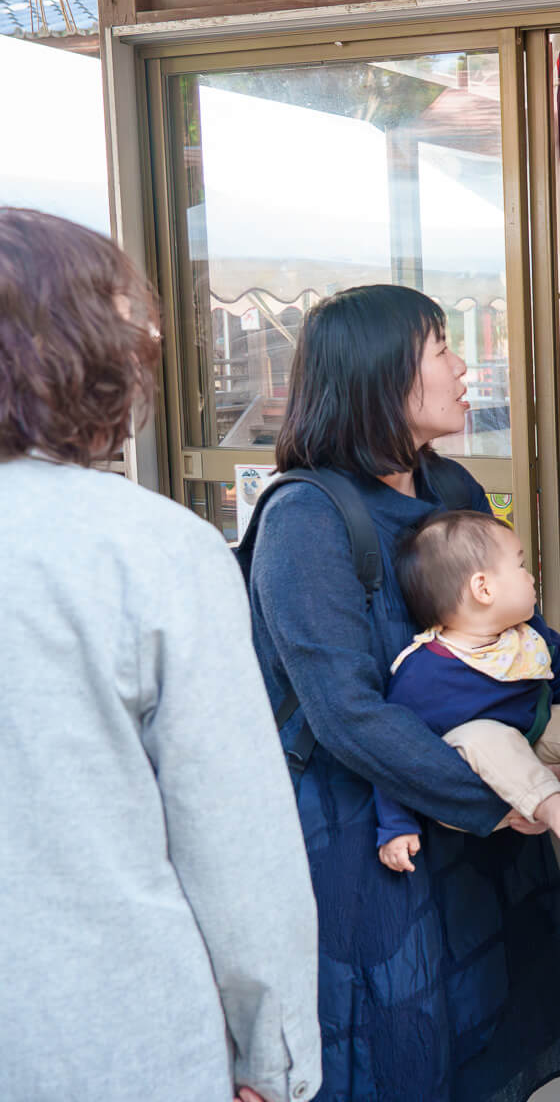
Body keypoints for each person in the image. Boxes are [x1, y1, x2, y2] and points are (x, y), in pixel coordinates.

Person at [0, 208, 320, 1102]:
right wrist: (276, 1056)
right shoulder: (148, 549)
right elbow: (235, 843)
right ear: (85, 359)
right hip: (107, 1033)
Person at [246, 284, 560, 1102]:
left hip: (480, 845)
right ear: (379, 376)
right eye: (442, 348)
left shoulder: (453, 489)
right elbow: (344, 713)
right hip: (379, 847)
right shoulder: (306, 519)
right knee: (402, 1048)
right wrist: (494, 794)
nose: (465, 366)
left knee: (487, 1040)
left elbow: (507, 625)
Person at [375, 507, 560, 869]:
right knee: (483, 735)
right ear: (483, 588)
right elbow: (393, 752)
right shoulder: (425, 673)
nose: (530, 577)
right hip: (472, 785)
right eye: (520, 566)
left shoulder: (526, 636)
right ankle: (548, 805)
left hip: (531, 752)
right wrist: (396, 826)